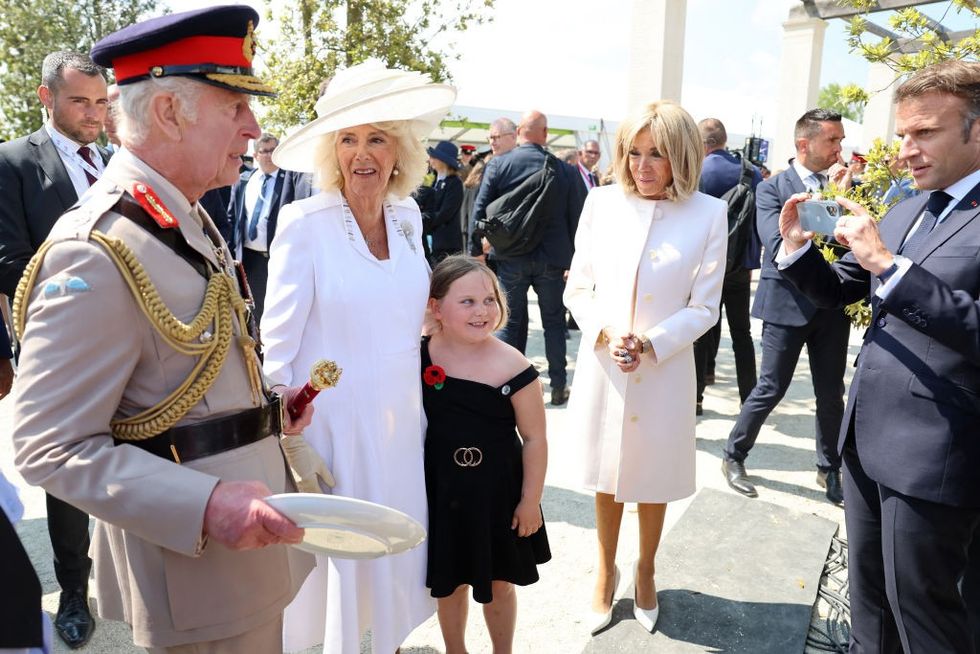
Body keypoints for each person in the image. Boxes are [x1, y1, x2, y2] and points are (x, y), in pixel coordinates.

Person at [12, 6, 318, 652]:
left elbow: (183, 373)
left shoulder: (180, 213)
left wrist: (261, 411)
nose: (254, 127)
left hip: (244, 561)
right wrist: (206, 506)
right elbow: (48, 446)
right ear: (170, 113)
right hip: (198, 573)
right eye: (235, 106)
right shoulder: (95, 249)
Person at [776, 59, 980, 654]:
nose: (907, 151)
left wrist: (891, 267)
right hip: (866, 439)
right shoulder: (910, 205)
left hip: (938, 455)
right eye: (901, 136)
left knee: (925, 614)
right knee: (869, 604)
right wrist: (795, 252)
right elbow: (846, 288)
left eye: (925, 134)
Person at [262, 58, 455, 654]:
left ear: (400, 150)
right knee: (332, 571)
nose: (362, 153)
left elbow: (403, 311)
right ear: (331, 150)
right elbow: (277, 340)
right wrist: (284, 431)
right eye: (348, 139)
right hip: (332, 434)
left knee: (393, 561)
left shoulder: (407, 215)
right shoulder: (304, 222)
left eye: (376, 138)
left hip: (400, 428)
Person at [564, 100, 726, 635]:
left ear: (681, 155)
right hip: (606, 363)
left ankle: (646, 567)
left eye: (656, 154)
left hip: (665, 367)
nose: (643, 166)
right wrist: (609, 334)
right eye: (634, 153)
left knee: (652, 474)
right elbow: (578, 287)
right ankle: (604, 568)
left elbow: (705, 306)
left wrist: (652, 341)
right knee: (607, 473)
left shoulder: (708, 213)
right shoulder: (601, 203)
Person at [0, 49, 109, 649]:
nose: (93, 115)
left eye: (100, 102)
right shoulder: (14, 162)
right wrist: (84, 307)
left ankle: (130, 572)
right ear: (47, 99)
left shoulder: (119, 161)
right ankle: (74, 588)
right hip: (56, 344)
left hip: (129, 343)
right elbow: (10, 259)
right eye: (79, 102)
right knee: (68, 468)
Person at [721, 108, 852, 505]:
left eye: (841, 140)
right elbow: (779, 246)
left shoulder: (845, 184)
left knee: (831, 394)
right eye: (832, 140)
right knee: (771, 387)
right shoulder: (773, 188)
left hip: (831, 306)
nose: (839, 148)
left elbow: (849, 243)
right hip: (786, 304)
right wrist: (828, 205)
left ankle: (829, 469)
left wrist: (840, 197)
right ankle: (733, 455)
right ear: (804, 143)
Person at [422, 255, 550, 654]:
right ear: (436, 308)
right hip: (441, 490)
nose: (482, 311)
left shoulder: (513, 365)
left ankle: (502, 651)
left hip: (497, 493)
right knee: (450, 580)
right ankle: (455, 649)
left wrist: (531, 501)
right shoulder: (421, 354)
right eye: (467, 302)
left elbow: (535, 438)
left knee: (499, 583)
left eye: (489, 300)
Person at [472, 110, 585, 406]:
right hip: (553, 260)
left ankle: (509, 386)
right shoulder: (565, 170)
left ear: (519, 131)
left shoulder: (499, 164)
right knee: (554, 324)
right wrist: (576, 262)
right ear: (545, 134)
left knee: (510, 322)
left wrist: (477, 252)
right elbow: (579, 219)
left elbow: (479, 211)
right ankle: (558, 385)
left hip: (510, 257)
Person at [693, 118, 762, 414]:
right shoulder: (752, 172)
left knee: (699, 330)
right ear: (723, 139)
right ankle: (749, 399)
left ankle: (695, 397)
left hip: (706, 264)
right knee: (741, 334)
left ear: (702, 143)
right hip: (740, 267)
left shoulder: (697, 169)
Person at [228, 132, 286, 321]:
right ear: (255, 156)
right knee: (252, 309)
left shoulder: (290, 181)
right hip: (249, 258)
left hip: (276, 257)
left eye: (274, 150)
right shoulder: (245, 180)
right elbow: (233, 216)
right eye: (265, 151)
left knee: (278, 309)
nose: (270, 155)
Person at [421, 140, 464, 263]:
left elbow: (446, 212)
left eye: (434, 157)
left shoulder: (454, 183)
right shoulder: (437, 180)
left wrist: (425, 221)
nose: (431, 160)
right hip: (435, 241)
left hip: (448, 243)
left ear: (443, 161)